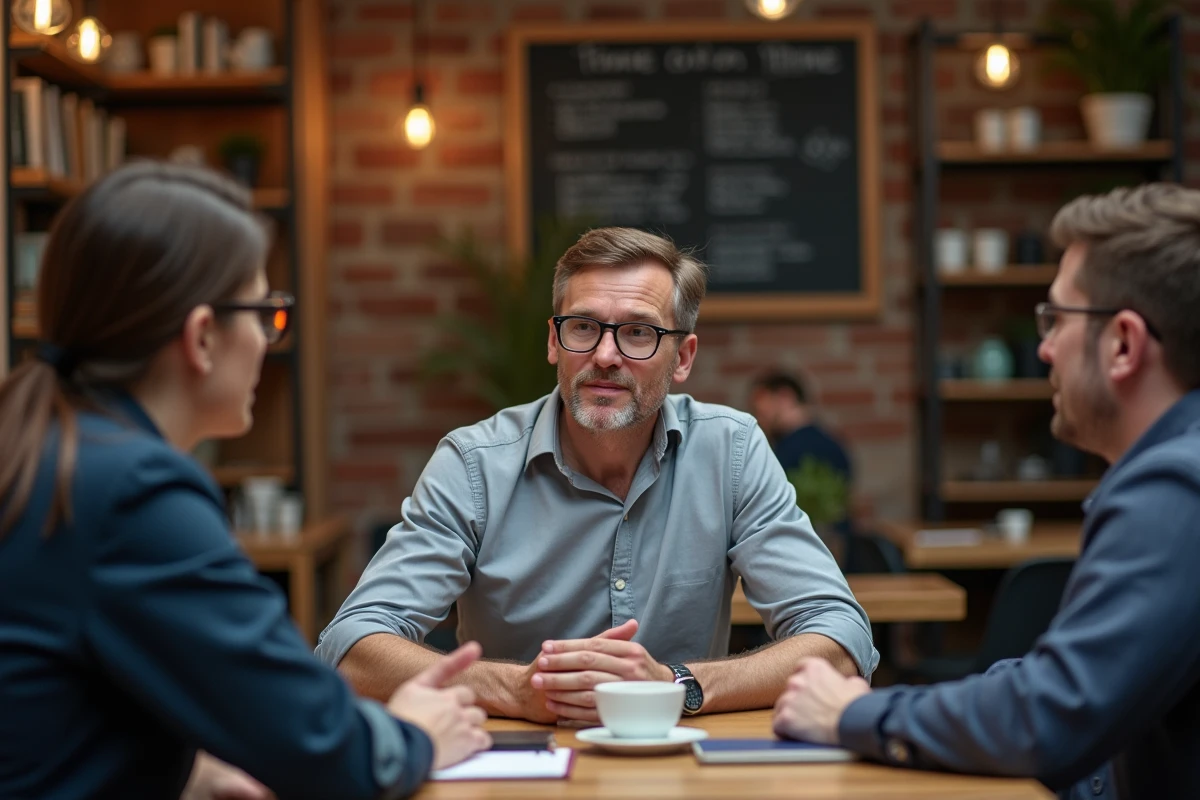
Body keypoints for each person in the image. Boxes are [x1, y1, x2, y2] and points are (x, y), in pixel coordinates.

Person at [0, 162, 490, 800]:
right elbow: (318, 746)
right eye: (264, 313)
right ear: (203, 336)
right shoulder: (136, 491)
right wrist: (414, 733)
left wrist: (183, 773)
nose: (266, 339)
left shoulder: (45, 449)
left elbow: (61, 709)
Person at [317, 227, 877, 726]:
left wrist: (678, 686)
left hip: (681, 771)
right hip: (513, 770)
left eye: (637, 333)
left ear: (682, 357)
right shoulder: (475, 462)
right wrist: (519, 690)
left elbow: (842, 635)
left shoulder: (730, 450)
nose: (605, 355)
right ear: (553, 341)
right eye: (583, 327)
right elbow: (350, 645)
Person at [771, 183, 1200, 799]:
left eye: (1056, 319)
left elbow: (1050, 715)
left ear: (1124, 344)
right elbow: (1062, 689)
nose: (1044, 349)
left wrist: (849, 716)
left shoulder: (1174, 487)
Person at [749, 371, 854, 529]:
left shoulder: (787, 453)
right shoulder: (834, 444)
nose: (760, 419)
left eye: (762, 410)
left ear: (785, 397)